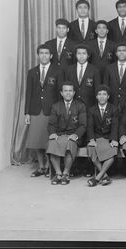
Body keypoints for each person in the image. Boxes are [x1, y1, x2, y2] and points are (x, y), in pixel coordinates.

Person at [25, 45, 62, 177]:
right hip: (35, 111)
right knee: (36, 141)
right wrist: (27, 113)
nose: (44, 55)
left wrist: (59, 111)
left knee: (48, 141)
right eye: (41, 53)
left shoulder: (57, 71)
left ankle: (49, 166)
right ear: (38, 55)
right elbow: (28, 93)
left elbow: (59, 93)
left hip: (50, 111)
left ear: (51, 56)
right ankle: (41, 167)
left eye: (47, 53)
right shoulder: (32, 72)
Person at [47, 81, 87, 185]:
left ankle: (66, 173)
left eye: (70, 91)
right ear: (61, 93)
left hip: (74, 135)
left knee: (69, 144)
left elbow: (83, 125)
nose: (68, 93)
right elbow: (51, 124)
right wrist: (52, 133)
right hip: (60, 135)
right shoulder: (56, 106)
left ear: (74, 93)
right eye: (65, 91)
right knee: (52, 143)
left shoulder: (80, 106)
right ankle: (58, 173)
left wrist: (76, 135)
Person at [86, 85, 119, 187]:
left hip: (108, 137)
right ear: (96, 96)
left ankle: (97, 177)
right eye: (99, 94)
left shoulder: (113, 109)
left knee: (113, 151)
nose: (102, 97)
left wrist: (113, 139)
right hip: (96, 137)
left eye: (104, 94)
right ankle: (104, 176)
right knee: (91, 149)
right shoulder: (92, 110)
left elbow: (115, 126)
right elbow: (90, 126)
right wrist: (91, 139)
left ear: (108, 96)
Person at [103, 43, 126, 112]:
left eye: (124, 50)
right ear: (116, 53)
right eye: (119, 51)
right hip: (111, 103)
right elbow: (105, 87)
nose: (121, 52)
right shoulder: (109, 68)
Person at [64, 44, 101, 108]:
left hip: (89, 105)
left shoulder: (95, 70)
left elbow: (97, 90)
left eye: (84, 53)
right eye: (79, 53)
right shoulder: (69, 70)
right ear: (75, 55)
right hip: (72, 105)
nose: (81, 56)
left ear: (88, 55)